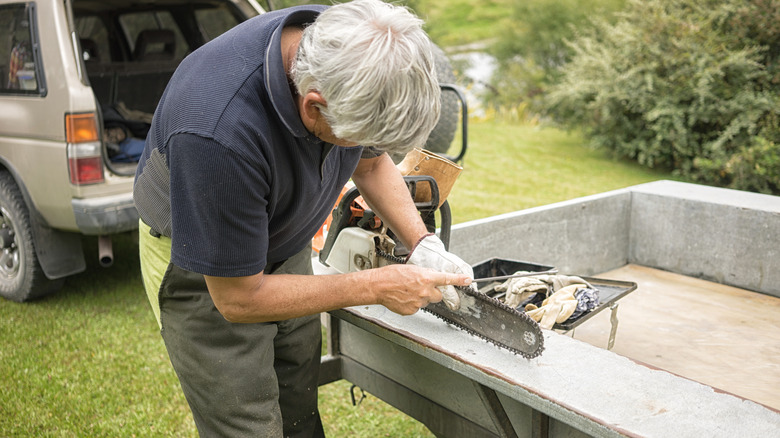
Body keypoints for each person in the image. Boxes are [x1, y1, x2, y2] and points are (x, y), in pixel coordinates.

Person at [133, 0, 474, 436]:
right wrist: (373, 286)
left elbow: (369, 163)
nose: (364, 148)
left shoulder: (347, 50)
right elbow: (238, 300)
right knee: (248, 420)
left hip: (283, 239)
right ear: (313, 106)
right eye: (359, 137)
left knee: (297, 400)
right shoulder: (216, 132)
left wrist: (422, 242)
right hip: (205, 269)